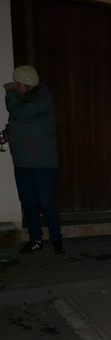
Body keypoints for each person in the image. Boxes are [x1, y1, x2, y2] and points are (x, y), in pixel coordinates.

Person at [4, 65, 65, 254]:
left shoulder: (42, 100)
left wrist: (10, 93)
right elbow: (15, 120)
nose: (14, 85)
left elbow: (21, 114)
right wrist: (6, 134)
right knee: (28, 203)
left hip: (42, 163)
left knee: (46, 203)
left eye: (17, 83)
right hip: (22, 162)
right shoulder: (22, 102)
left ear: (27, 84)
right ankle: (35, 240)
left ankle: (57, 240)